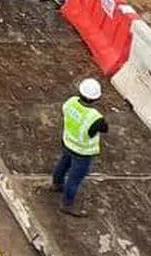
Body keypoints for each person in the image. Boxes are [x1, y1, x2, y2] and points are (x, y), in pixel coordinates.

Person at [52, 78, 109, 217]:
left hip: (68, 143)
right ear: (97, 98)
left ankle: (56, 184)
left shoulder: (70, 102)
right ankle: (67, 204)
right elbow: (105, 128)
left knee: (63, 164)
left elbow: (66, 112)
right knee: (74, 179)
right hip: (82, 152)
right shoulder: (95, 117)